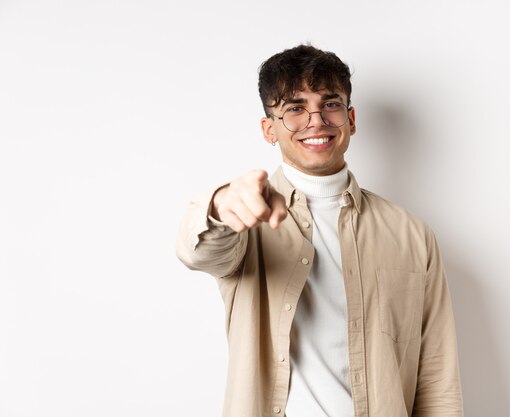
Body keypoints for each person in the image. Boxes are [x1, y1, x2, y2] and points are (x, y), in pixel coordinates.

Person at [176, 44, 463, 417]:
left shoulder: (411, 234)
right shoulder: (246, 219)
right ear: (269, 129)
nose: (316, 121)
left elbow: (437, 376)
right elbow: (197, 250)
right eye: (294, 108)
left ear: (351, 118)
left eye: (330, 104)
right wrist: (219, 206)